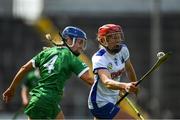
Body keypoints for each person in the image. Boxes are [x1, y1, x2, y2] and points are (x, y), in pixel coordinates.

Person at [3, 26, 94, 119]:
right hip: (47, 101)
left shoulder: (46, 52)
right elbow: (89, 80)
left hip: (41, 99)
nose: (82, 47)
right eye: (80, 42)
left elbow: (24, 68)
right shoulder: (70, 57)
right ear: (69, 40)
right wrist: (107, 86)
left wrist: (11, 88)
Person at [88, 24, 138, 119]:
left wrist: (135, 86)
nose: (118, 40)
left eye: (118, 36)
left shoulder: (123, 50)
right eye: (114, 38)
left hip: (113, 100)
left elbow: (129, 68)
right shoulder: (99, 58)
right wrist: (125, 86)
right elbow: (107, 82)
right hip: (100, 103)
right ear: (103, 40)